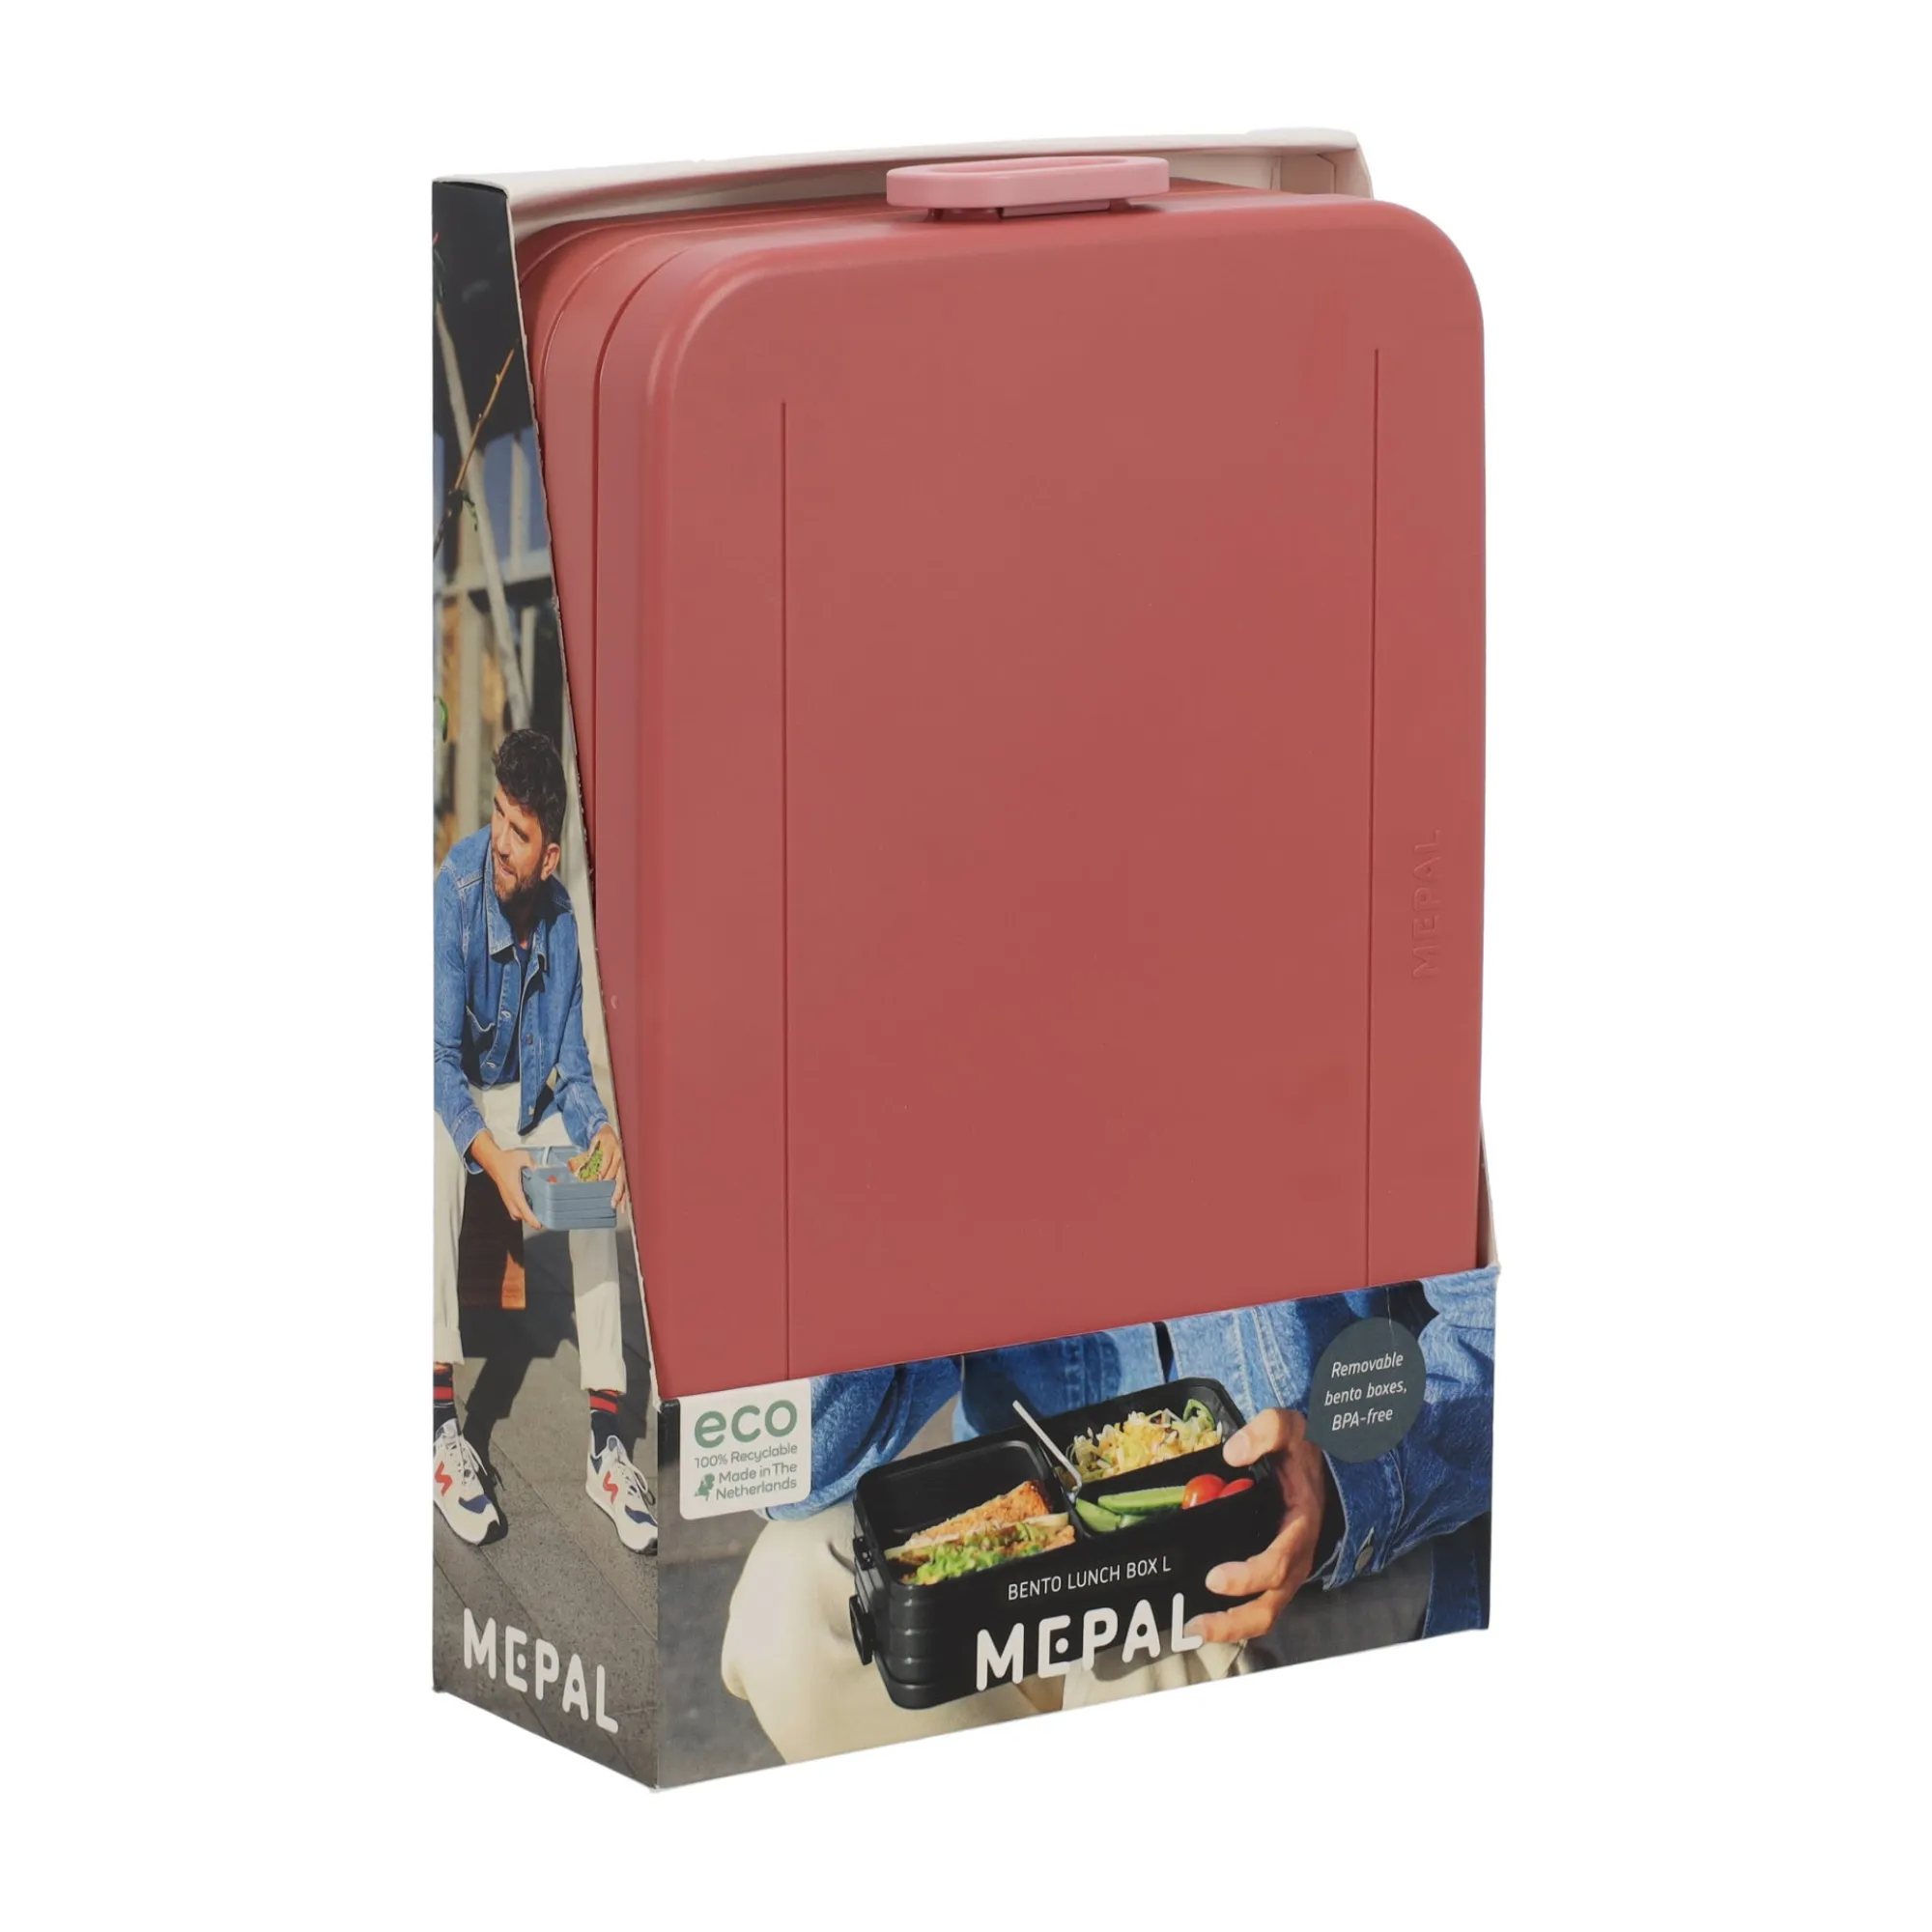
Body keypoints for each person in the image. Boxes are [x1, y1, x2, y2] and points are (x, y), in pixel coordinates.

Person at [720, 1266, 1492, 1759]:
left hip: (1322, 1562)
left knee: (1147, 1649)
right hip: (1044, 1573)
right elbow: (795, 1470)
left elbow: (1502, 1326)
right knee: (792, 1609)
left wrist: (1344, 1478)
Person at [432, 728, 657, 1553]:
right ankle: (437, 1432)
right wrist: (491, 1158)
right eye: (497, 813)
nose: (499, 838)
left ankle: (604, 1444)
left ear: (550, 854)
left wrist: (602, 1133)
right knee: (427, 1144)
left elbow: (570, 1064)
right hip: (461, 1102)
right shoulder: (456, 888)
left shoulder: (562, 922)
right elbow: (433, 1061)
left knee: (601, 1183)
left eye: (519, 831)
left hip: (524, 1106)